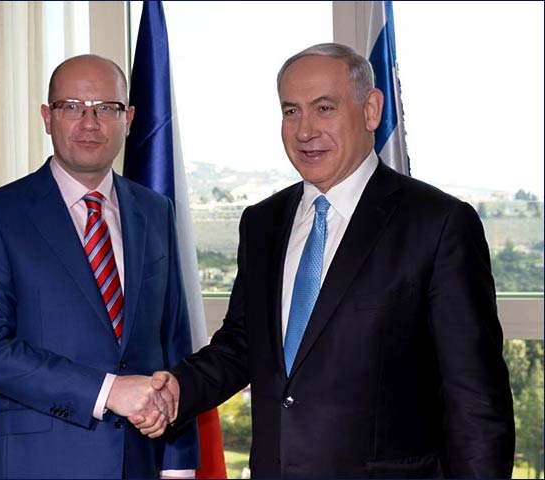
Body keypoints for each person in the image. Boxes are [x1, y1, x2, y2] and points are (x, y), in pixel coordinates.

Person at [135, 43, 516, 478]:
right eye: (291, 111)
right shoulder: (261, 223)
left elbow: (476, 400)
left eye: (324, 108)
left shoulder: (439, 224)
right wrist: (178, 389)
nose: (305, 131)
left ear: (371, 110)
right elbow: (242, 345)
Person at [0, 54, 198, 479]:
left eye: (107, 108)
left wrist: (178, 465)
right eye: (72, 107)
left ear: (130, 118)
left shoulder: (156, 211)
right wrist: (107, 392)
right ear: (48, 117)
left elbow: (173, 342)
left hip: (140, 464)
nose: (90, 123)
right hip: (36, 466)